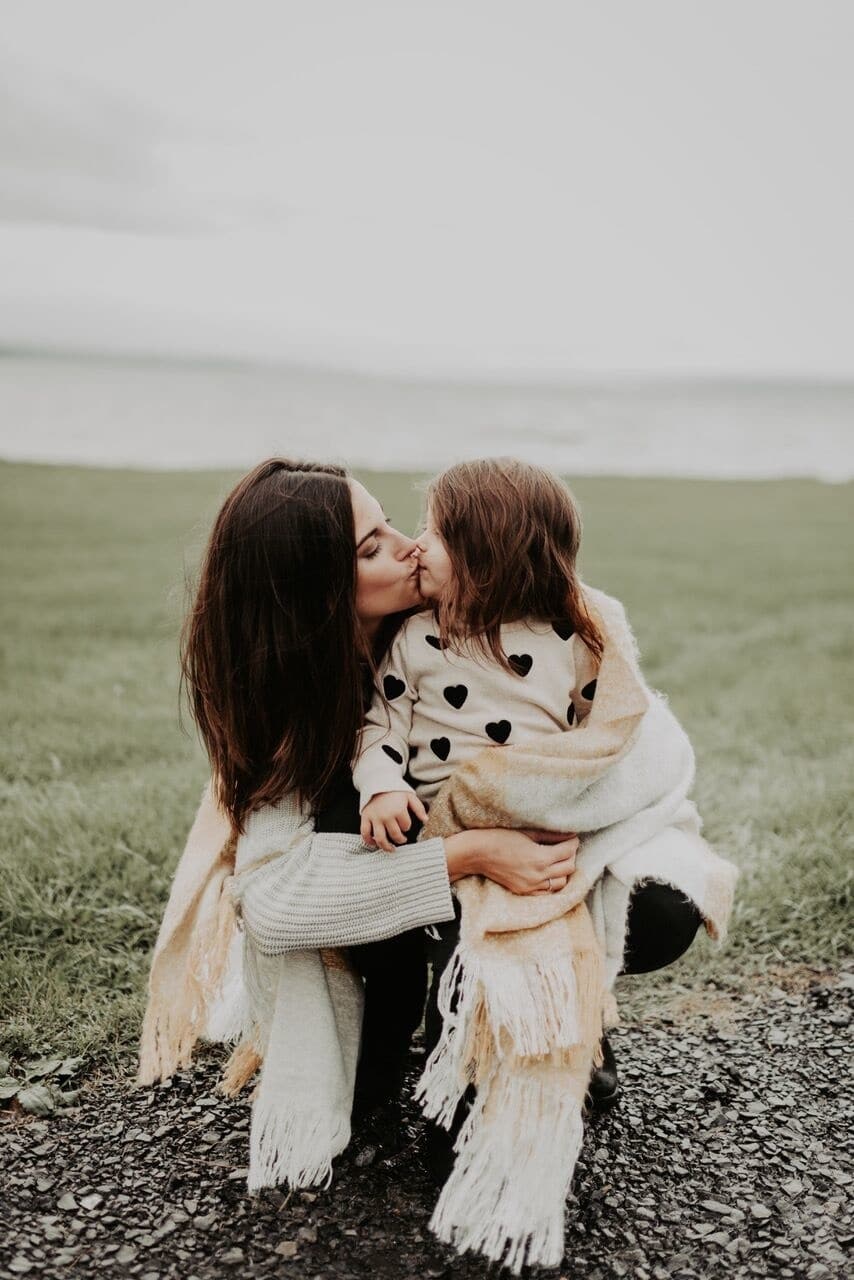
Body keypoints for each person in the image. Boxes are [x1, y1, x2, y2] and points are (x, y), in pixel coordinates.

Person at [138, 458, 581, 1186]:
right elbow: (277, 905)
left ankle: (564, 1035)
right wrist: (470, 854)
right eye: (371, 548)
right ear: (315, 596)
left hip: (520, 836)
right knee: (351, 807)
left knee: (658, 907)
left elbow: (602, 694)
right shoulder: (291, 711)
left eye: (392, 525)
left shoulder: (474, 607)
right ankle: (402, 1058)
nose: (410, 546)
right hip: (399, 879)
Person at [350, 458, 706, 1173]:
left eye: (434, 532)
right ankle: (455, 1102)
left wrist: (588, 807)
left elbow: (606, 736)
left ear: (489, 554)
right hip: (452, 832)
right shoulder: (417, 639)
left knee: (568, 946)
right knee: (464, 968)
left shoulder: (571, 642)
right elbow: (377, 727)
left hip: (547, 829)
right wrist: (380, 788)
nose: (417, 544)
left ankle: (582, 1044)